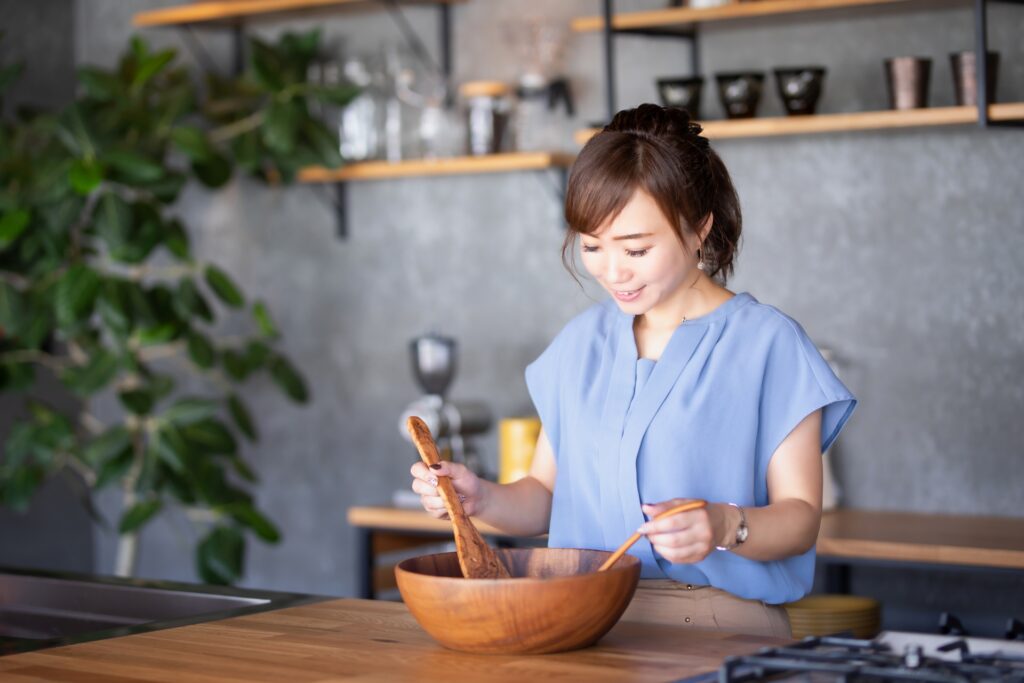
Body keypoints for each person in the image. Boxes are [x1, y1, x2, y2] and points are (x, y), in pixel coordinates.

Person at [410, 103, 856, 638]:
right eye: (593, 246)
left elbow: (802, 517)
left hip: (715, 626)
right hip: (581, 623)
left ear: (699, 230)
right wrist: (480, 498)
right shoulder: (580, 344)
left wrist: (723, 524)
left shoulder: (768, 345)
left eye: (637, 249)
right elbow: (545, 499)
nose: (612, 271)